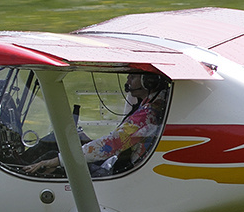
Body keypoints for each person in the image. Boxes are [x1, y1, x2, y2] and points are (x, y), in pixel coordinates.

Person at [23, 72, 169, 177]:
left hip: (118, 169)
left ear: (148, 81)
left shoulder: (147, 115)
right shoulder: (150, 105)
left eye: (133, 76)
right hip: (118, 160)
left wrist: (57, 161)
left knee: (52, 156)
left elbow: (112, 144)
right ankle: (22, 165)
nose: (128, 79)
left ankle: (21, 170)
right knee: (60, 143)